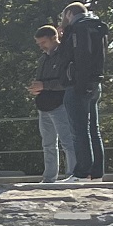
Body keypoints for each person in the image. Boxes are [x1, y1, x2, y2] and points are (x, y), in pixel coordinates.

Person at [60, 1, 107, 179]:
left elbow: (78, 56)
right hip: (96, 82)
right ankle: (96, 173)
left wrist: (79, 83)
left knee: (79, 130)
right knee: (94, 129)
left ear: (70, 14)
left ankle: (81, 172)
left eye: (64, 16)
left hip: (78, 84)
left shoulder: (77, 29)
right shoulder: (97, 27)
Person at [31, 25, 76, 184]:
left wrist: (44, 86)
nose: (41, 46)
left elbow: (67, 82)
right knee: (48, 143)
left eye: (43, 42)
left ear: (53, 38)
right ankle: (49, 177)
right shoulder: (43, 59)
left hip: (60, 104)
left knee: (67, 141)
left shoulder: (64, 55)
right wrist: (37, 89)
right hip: (44, 105)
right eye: (39, 43)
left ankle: (72, 174)